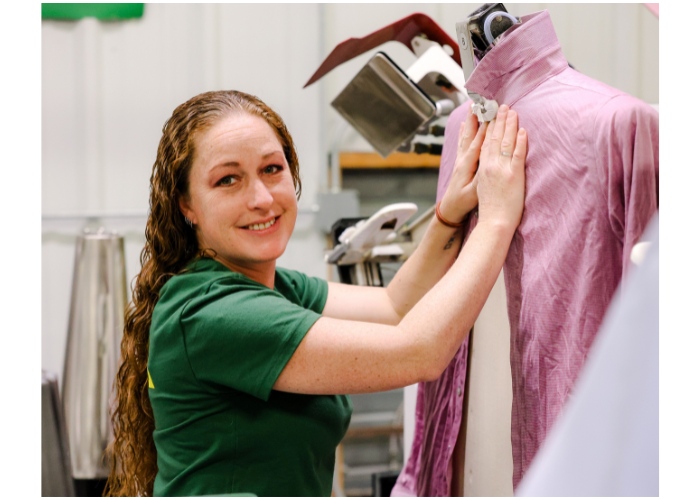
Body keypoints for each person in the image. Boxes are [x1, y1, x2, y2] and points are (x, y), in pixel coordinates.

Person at [106, 90, 527, 497]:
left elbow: (394, 306)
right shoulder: (213, 312)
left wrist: (448, 215)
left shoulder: (274, 287)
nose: (262, 198)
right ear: (186, 206)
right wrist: (495, 221)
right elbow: (417, 352)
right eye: (228, 180)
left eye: (272, 169)